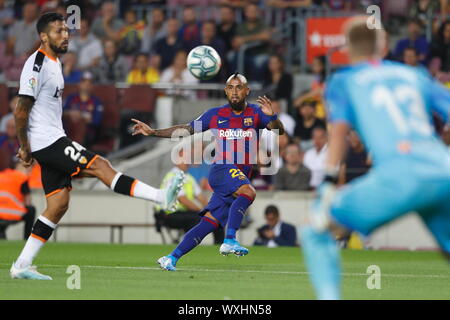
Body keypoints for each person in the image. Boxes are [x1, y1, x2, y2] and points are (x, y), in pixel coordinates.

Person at [9, 12, 185, 281]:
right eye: (58, 31)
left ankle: (22, 264)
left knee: (58, 204)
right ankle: (162, 198)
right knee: (101, 165)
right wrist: (25, 146)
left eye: (66, 30)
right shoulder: (37, 63)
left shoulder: (56, 63)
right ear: (43, 36)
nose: (65, 35)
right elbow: (21, 109)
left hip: (49, 138)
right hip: (47, 141)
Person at [299, 17, 450, 300]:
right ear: (383, 46)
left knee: (315, 231)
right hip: (443, 170)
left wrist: (328, 183)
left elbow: (339, 133)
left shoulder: (342, 81)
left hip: (398, 175)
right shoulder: (414, 75)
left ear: (347, 48)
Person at [132, 73, 285, 270]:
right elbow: (186, 129)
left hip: (238, 177)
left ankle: (171, 257)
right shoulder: (215, 114)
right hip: (222, 169)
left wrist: (272, 116)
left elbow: (278, 130)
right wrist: (153, 132)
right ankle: (230, 240)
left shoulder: (256, 113)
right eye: (230, 87)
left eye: (239, 87)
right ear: (226, 91)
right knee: (249, 192)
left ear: (247, 91)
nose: (234, 92)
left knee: (209, 223)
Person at [154, 149, 224, 243]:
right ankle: (189, 245)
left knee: (215, 218)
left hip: (183, 213)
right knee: (197, 218)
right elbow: (182, 199)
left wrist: (211, 211)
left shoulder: (189, 178)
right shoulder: (173, 176)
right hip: (168, 215)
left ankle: (219, 247)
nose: (187, 161)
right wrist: (202, 211)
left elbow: (201, 197)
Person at [63, 71, 104, 149]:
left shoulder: (96, 101)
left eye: (89, 82)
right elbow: (61, 113)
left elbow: (97, 122)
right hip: (68, 133)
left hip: (88, 136)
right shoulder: (71, 98)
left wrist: (83, 117)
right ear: (79, 84)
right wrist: (70, 113)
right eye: (84, 82)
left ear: (92, 86)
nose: (86, 84)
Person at [0, 160, 36, 240]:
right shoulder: (22, 178)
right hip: (14, 213)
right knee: (31, 209)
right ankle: (27, 238)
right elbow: (28, 201)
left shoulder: (1, 175)